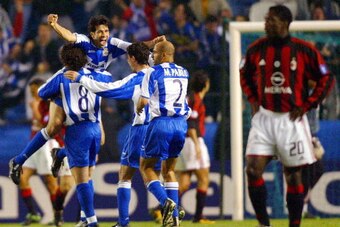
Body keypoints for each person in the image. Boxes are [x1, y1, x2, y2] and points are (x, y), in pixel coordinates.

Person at [8, 14, 164, 185]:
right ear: (92, 34)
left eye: (106, 31)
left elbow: (134, 48)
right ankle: (19, 160)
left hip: (90, 86)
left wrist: (151, 43)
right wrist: (54, 25)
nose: (104, 35)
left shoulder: (112, 43)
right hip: (72, 79)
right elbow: (69, 35)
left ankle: (60, 154)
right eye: (100, 32)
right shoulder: (83, 41)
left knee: (100, 140)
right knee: (53, 127)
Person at [239, 5, 335, 227]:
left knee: (292, 176)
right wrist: (253, 99)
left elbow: (326, 79)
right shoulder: (256, 49)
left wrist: (308, 104)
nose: (266, 23)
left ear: (285, 23)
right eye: (265, 19)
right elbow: (244, 73)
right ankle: (264, 223)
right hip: (263, 119)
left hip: (291, 121)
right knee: (252, 171)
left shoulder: (303, 50)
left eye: (271, 20)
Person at [38, 44, 112, 227]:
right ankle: (64, 215)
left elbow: (96, 105)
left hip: (90, 130)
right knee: (68, 185)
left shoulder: (91, 77)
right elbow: (54, 121)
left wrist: (100, 126)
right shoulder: (60, 82)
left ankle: (84, 218)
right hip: (73, 134)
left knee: (86, 178)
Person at [137, 40, 191, 227]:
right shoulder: (184, 72)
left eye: (155, 53)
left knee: (146, 167)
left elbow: (143, 101)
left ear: (164, 55)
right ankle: (174, 219)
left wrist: (138, 110)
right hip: (180, 124)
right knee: (169, 170)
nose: (152, 56)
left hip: (161, 123)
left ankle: (166, 203)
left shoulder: (153, 72)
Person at [21, 78, 73, 227]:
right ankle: (33, 213)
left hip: (47, 145)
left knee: (51, 183)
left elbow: (48, 127)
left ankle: (57, 215)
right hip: (34, 145)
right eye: (31, 92)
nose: (33, 94)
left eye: (34, 91)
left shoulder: (50, 103)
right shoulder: (40, 104)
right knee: (22, 178)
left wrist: (35, 110)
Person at [174, 70, 214, 224]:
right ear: (205, 84)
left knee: (183, 182)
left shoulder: (190, 97)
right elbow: (191, 124)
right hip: (192, 141)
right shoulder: (195, 99)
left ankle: (161, 207)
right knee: (204, 177)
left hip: (185, 142)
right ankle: (198, 216)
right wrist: (197, 145)